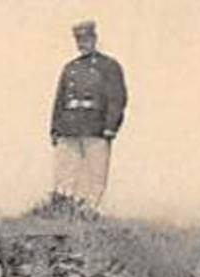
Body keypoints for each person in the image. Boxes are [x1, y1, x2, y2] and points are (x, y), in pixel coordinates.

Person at [50, 19, 127, 209]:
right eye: (79, 40)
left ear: (94, 38)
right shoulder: (70, 68)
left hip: (96, 127)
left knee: (95, 173)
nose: (82, 43)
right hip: (69, 127)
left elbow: (117, 98)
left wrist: (111, 126)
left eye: (86, 39)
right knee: (65, 172)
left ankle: (90, 211)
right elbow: (59, 101)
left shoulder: (108, 66)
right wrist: (54, 128)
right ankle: (63, 209)